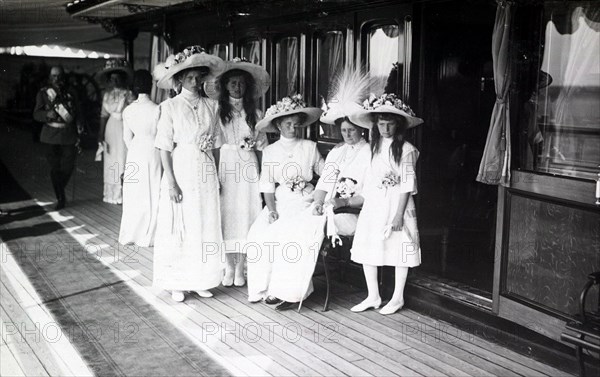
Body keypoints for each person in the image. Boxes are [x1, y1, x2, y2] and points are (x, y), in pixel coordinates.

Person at [153, 46, 225, 302]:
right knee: (180, 224)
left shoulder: (212, 106)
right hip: (182, 167)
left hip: (205, 169)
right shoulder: (170, 107)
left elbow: (216, 145)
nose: (194, 82)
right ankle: (177, 282)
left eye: (198, 77)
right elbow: (163, 147)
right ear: (180, 79)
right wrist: (171, 182)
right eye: (189, 77)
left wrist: (216, 176)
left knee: (203, 222)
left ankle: (200, 279)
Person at [348, 93, 424, 315]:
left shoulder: (406, 150)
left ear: (398, 126)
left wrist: (399, 215)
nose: (385, 129)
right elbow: (367, 178)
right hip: (375, 202)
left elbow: (407, 184)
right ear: (375, 125)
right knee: (369, 245)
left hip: (397, 203)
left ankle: (397, 297)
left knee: (399, 247)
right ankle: (373, 295)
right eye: (381, 124)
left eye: (390, 124)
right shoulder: (372, 147)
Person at [246, 94, 324, 310]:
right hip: (280, 202)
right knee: (258, 234)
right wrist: (271, 210)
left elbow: (325, 175)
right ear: (278, 124)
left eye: (295, 124)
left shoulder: (309, 147)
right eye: (288, 123)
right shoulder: (270, 151)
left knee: (289, 235)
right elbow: (267, 186)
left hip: (305, 201)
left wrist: (319, 198)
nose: (292, 127)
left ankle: (288, 291)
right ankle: (265, 287)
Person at [207, 58, 270, 288]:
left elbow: (262, 146)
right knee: (227, 213)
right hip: (226, 163)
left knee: (246, 211)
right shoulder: (217, 111)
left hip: (249, 166)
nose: (237, 87)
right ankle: (229, 266)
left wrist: (263, 175)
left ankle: (242, 266)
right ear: (225, 85)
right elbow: (213, 146)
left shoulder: (256, 112)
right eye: (233, 83)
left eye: (241, 83)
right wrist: (214, 174)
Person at [313, 67, 371, 237]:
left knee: (323, 225)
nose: (347, 135)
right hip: (328, 208)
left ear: (361, 130)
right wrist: (318, 202)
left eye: (352, 130)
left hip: (353, 211)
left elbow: (367, 195)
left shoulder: (369, 153)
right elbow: (323, 184)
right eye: (344, 131)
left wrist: (342, 202)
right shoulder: (337, 152)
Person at [118, 70, 161, 247]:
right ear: (151, 85)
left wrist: (136, 148)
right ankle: (149, 233)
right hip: (153, 150)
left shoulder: (128, 110)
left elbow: (127, 138)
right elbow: (161, 135)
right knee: (153, 189)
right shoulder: (158, 109)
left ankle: (132, 233)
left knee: (135, 192)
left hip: (135, 151)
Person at [33, 66, 82, 210]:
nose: (57, 79)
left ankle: (59, 189)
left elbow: (78, 111)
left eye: (59, 76)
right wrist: (47, 115)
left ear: (64, 77)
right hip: (50, 136)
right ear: (50, 78)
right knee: (55, 168)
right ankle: (61, 197)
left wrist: (80, 124)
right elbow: (36, 113)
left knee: (68, 166)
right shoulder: (43, 93)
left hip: (68, 134)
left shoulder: (71, 92)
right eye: (54, 76)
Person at [97, 59, 134, 204]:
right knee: (112, 160)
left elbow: (134, 112)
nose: (115, 81)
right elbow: (103, 115)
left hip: (125, 126)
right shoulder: (107, 95)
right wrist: (100, 134)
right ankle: (112, 194)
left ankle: (125, 194)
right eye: (112, 79)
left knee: (123, 158)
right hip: (110, 129)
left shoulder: (129, 94)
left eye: (118, 78)